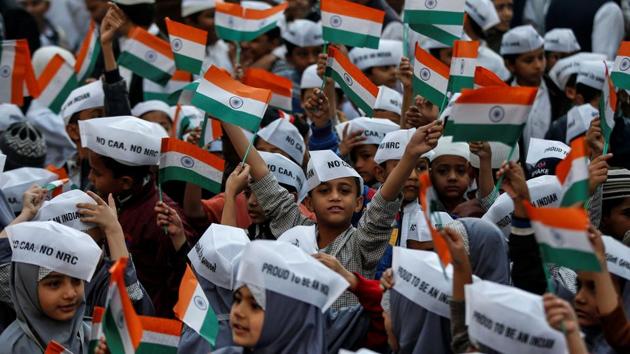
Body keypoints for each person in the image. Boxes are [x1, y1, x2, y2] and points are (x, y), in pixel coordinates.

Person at [222, 119, 442, 308]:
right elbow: (262, 174)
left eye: (344, 191)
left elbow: (383, 202)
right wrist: (226, 116)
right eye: (324, 191)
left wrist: (411, 154)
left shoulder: (361, 243)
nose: (335, 196)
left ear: (358, 204)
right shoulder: (295, 227)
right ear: (308, 202)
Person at [79, 115, 192, 317]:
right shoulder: (108, 197)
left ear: (126, 182)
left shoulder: (161, 218)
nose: (90, 178)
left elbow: (180, 283)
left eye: (97, 173)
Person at [0, 220, 102, 353]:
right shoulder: (11, 348)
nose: (70, 293)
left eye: (77, 280)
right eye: (54, 284)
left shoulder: (97, 337)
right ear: (28, 288)